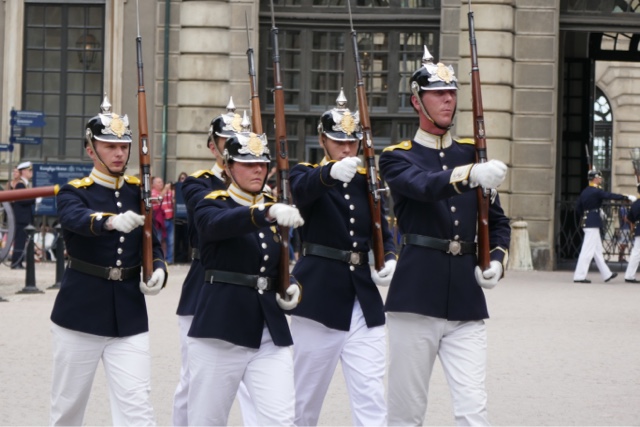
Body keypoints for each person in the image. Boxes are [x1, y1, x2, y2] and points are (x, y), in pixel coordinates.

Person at [378, 45, 511, 425]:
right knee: (406, 412)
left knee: (473, 409)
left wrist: (497, 261)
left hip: (466, 300)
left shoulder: (472, 154)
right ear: (416, 101)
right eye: (438, 93)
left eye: (451, 92)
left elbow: (498, 222)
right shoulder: (397, 157)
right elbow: (423, 186)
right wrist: (470, 175)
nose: (448, 100)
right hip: (416, 297)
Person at [48, 96, 168, 426]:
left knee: (137, 409)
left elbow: (153, 245)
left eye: (123, 147)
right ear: (91, 150)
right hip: (80, 312)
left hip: (129, 314)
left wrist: (158, 269)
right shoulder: (74, 191)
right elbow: (75, 218)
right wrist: (110, 221)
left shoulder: (137, 191)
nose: (119, 153)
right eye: (109, 146)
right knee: (68, 409)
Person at [288, 89, 397, 426]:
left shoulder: (368, 182)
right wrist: (330, 174)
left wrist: (389, 258)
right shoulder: (306, 173)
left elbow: (382, 230)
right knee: (304, 400)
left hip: (362, 298)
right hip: (318, 297)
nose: (347, 149)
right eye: (339, 141)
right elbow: (300, 191)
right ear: (323, 140)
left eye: (352, 142)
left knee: (371, 396)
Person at [187, 131, 304, 425]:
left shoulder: (274, 206)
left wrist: (291, 287)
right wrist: (264, 212)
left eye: (262, 164)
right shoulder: (212, 203)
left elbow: (281, 263)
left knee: (281, 420)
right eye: (248, 164)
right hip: (221, 328)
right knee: (207, 420)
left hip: (269, 330)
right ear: (228, 167)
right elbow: (217, 225)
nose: (257, 170)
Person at [171, 99, 257, 426]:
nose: (235, 146)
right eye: (227, 141)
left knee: (253, 380)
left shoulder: (260, 185)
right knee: (193, 378)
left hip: (249, 284)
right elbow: (210, 217)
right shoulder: (199, 183)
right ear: (213, 146)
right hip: (205, 281)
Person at [573, 169, 632, 283]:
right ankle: (579, 276)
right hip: (592, 223)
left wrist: (587, 215)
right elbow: (610, 195)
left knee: (597, 251)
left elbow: (578, 208)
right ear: (595, 178)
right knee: (587, 251)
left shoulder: (585, 191)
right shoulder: (596, 191)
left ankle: (606, 274)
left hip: (587, 221)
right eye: (599, 178)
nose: (601, 179)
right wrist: (626, 197)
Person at [10, 161, 35, 269]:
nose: (31, 172)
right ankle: (16, 263)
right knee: (19, 241)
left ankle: (18, 262)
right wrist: (34, 199)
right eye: (30, 170)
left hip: (24, 217)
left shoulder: (25, 184)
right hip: (21, 218)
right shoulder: (20, 184)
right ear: (24, 171)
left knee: (22, 241)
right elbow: (21, 200)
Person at [624, 184, 640, 283]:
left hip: (638, 228)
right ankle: (629, 275)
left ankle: (629, 275)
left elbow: (629, 218)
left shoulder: (635, 204)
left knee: (636, 253)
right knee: (636, 253)